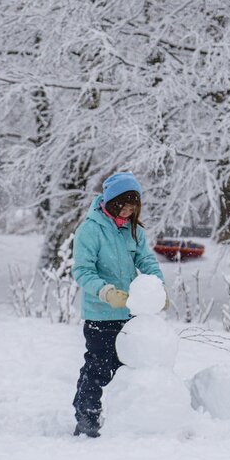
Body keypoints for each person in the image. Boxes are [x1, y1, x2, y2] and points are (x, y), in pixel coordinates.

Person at [71, 171, 166, 438]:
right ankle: (86, 418)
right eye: (124, 205)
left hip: (130, 314)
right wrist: (106, 291)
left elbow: (146, 261)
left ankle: (119, 417)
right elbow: (82, 270)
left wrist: (156, 286)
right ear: (111, 202)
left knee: (126, 368)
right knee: (99, 367)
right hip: (100, 314)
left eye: (133, 207)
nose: (128, 211)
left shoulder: (132, 231)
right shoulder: (90, 230)